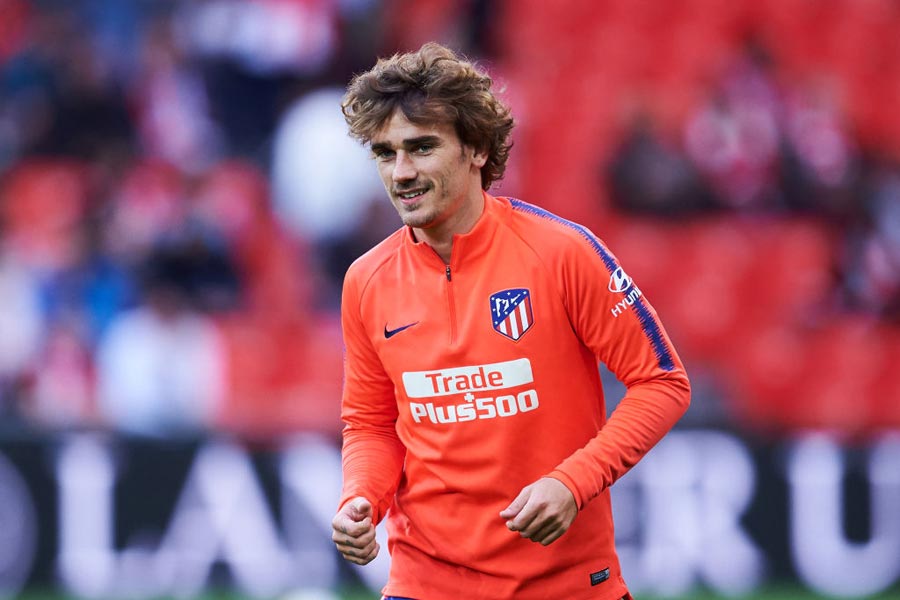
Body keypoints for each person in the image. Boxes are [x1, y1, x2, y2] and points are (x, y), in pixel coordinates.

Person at [331, 42, 691, 600]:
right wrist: (361, 497)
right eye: (385, 153)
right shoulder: (366, 279)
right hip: (423, 584)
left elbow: (662, 382)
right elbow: (372, 425)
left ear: (476, 148)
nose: (401, 172)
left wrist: (573, 483)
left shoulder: (561, 252)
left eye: (422, 147)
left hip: (568, 587)